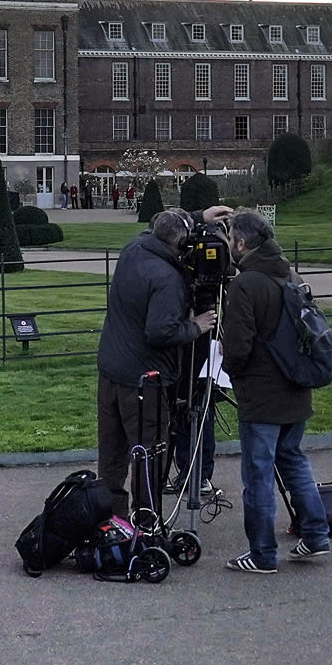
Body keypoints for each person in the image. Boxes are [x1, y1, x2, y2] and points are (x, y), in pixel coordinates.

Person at [215, 210, 330, 574]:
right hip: (295, 387)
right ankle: (315, 534)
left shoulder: (246, 284)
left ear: (242, 244)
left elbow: (237, 348)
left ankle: (263, 554)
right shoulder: (288, 274)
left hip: (261, 395)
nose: (228, 243)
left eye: (230, 237)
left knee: (259, 476)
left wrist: (231, 367)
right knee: (294, 462)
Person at [94, 208, 214, 519]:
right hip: (143, 382)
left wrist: (198, 217)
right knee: (149, 453)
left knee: (112, 453)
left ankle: (113, 522)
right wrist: (196, 326)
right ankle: (145, 522)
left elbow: (158, 229)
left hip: (110, 370)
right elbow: (161, 332)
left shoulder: (133, 249)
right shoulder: (168, 278)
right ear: (181, 244)